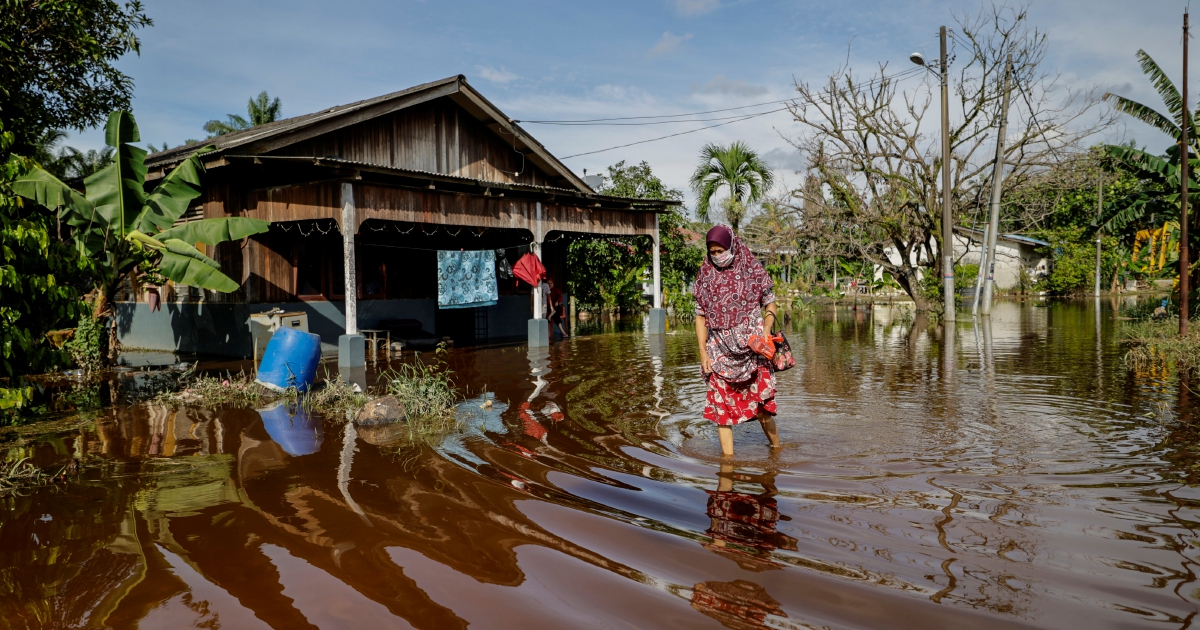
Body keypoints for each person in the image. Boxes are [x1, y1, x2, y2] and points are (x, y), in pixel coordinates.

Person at [693, 224, 781, 457]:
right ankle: (728, 465)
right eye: (711, 252)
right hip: (719, 354)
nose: (716, 256)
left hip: (752, 353)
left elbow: (770, 301)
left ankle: (777, 450)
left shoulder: (751, 269)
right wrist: (703, 353)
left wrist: (767, 328)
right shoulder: (706, 274)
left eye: (720, 250)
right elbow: (700, 315)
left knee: (762, 410)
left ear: (731, 246)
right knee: (722, 414)